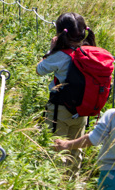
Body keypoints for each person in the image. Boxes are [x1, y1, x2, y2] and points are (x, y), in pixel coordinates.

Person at [36, 13, 97, 163]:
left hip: (60, 110)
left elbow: (40, 70)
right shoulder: (90, 53)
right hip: (83, 110)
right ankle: (73, 183)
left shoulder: (60, 55)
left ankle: (56, 183)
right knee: (75, 151)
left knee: (56, 150)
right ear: (84, 33)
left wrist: (51, 51)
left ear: (60, 32)